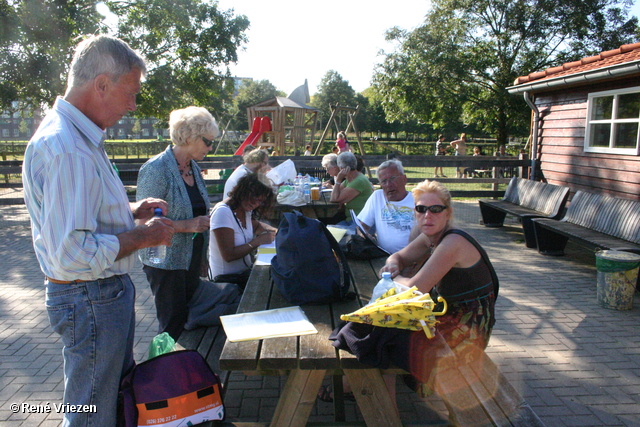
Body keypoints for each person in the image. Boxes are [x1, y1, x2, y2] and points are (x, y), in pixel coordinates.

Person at [22, 35, 175, 426]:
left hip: (94, 296)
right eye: (130, 93)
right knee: (92, 413)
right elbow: (72, 251)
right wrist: (144, 235)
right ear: (101, 85)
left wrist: (130, 211)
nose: (133, 105)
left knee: (102, 404)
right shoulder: (69, 147)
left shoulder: (76, 137)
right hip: (90, 296)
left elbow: (79, 215)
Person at [330, 179, 497, 403]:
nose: (428, 215)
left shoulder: (453, 242)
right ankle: (365, 393)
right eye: (421, 209)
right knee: (380, 329)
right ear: (415, 212)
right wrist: (393, 265)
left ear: (448, 213)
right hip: (446, 316)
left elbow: (416, 288)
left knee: (383, 338)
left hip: (466, 330)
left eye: (436, 209)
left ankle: (363, 394)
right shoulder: (431, 236)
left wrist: (391, 277)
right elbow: (398, 256)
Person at [136, 106, 239, 340]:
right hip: (165, 262)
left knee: (187, 324)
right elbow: (144, 222)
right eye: (207, 141)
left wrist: (201, 257)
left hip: (190, 260)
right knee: (171, 326)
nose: (211, 148)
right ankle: (165, 370)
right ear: (190, 136)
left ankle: (186, 368)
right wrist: (187, 225)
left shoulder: (192, 167)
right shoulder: (155, 169)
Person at [209, 174, 277, 288]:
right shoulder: (223, 212)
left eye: (261, 201)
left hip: (242, 275)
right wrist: (258, 241)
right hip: (225, 282)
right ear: (243, 191)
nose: (256, 203)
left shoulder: (245, 210)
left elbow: (257, 226)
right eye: (254, 197)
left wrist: (277, 231)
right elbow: (228, 255)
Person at [357, 159, 417, 253]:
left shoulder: (418, 201)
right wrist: (363, 235)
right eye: (384, 181)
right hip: (383, 257)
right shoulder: (377, 197)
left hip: (413, 258)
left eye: (393, 178)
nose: (389, 185)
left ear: (404, 179)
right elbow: (361, 225)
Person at [330, 151, 374, 229]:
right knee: (328, 231)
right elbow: (334, 196)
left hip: (361, 223)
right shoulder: (349, 179)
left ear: (341, 168)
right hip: (351, 220)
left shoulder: (359, 181)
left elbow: (334, 198)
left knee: (331, 234)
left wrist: (338, 180)